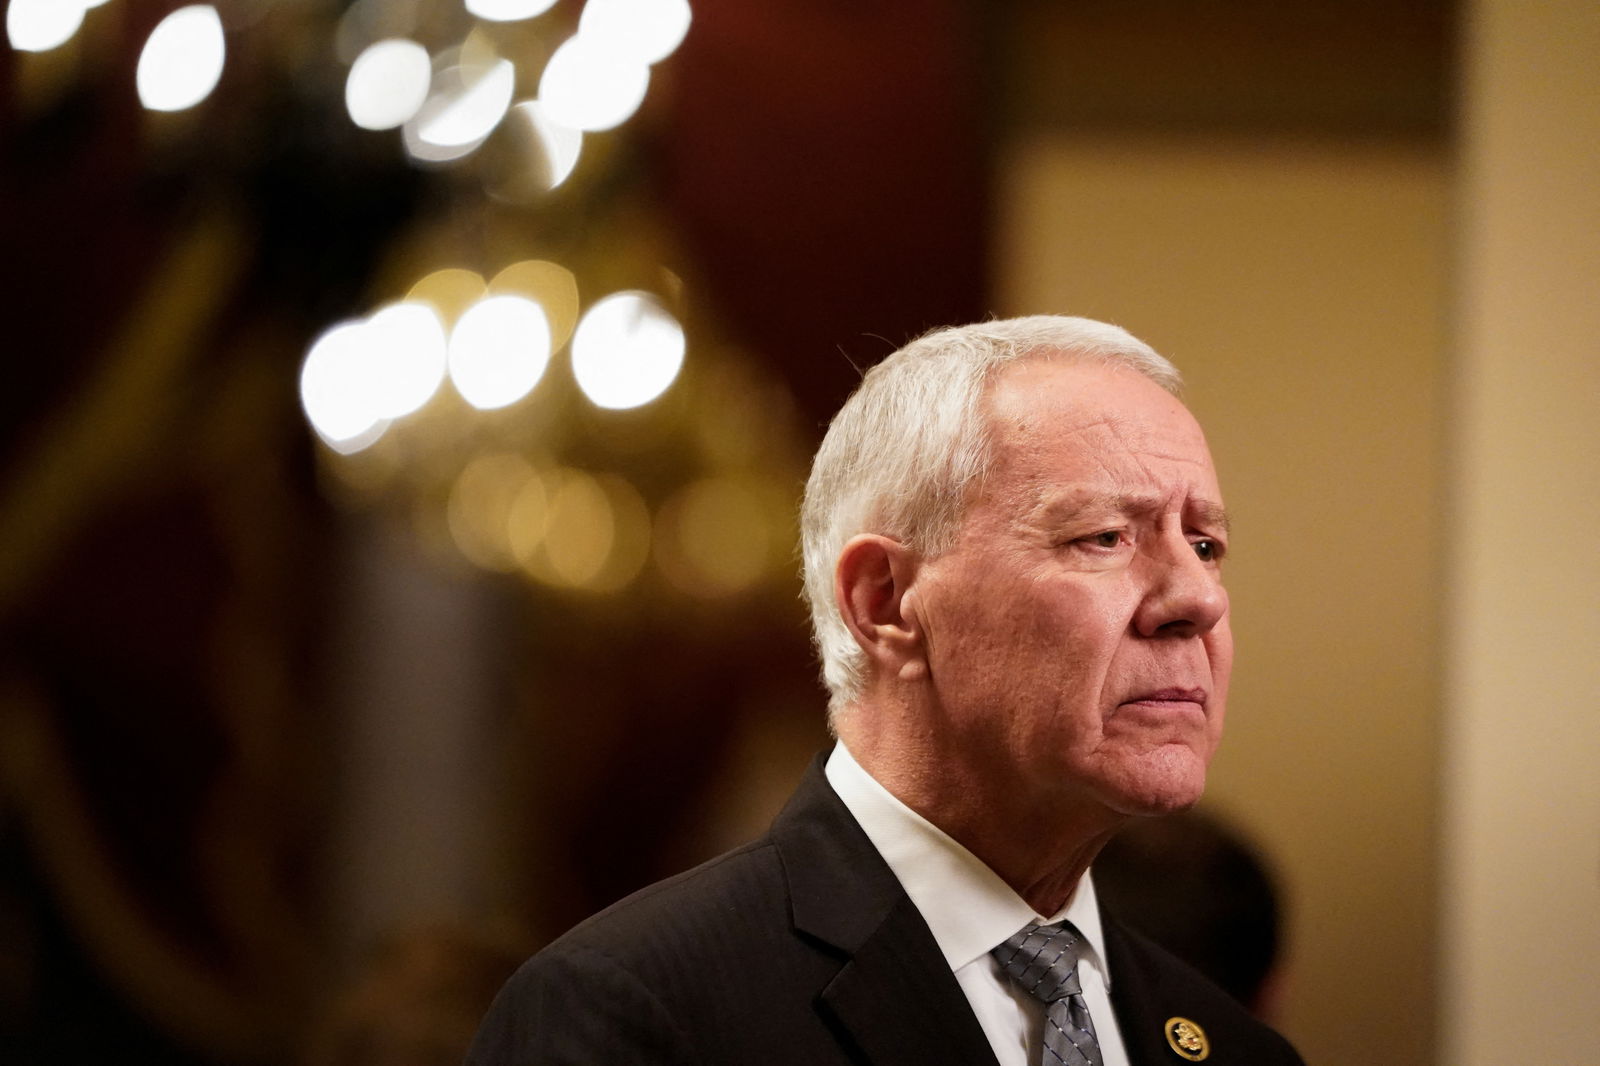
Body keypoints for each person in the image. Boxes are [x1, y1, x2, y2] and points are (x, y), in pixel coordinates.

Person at [468, 316, 1305, 1065]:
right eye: (1105, 537)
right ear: (885, 602)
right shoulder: (635, 1017)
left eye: (1204, 544)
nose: (1197, 600)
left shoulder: (1234, 1051)